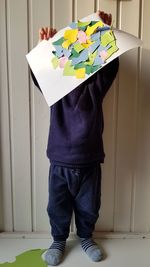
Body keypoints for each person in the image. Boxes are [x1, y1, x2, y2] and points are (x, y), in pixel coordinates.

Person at [31, 10, 119, 266]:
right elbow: (39, 73)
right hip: (60, 162)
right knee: (57, 207)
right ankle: (58, 240)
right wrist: (43, 47)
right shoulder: (55, 90)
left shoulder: (95, 86)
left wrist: (104, 32)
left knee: (89, 207)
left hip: (90, 161)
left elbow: (110, 66)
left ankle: (86, 237)